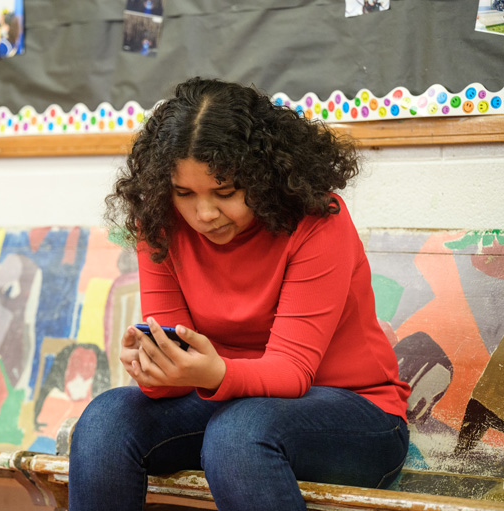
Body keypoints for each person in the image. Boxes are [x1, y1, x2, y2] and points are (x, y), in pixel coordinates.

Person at [68, 77, 411, 511]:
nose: (204, 213)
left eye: (225, 193)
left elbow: (291, 371)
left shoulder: (318, 221)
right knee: (105, 421)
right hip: (230, 410)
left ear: (263, 177)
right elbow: (178, 370)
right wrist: (156, 369)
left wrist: (209, 374)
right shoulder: (159, 224)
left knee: (239, 431)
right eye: (184, 193)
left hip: (355, 416)